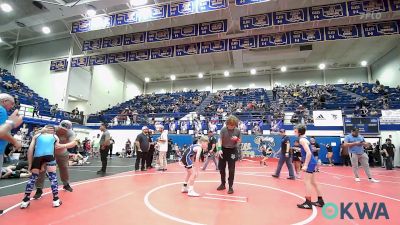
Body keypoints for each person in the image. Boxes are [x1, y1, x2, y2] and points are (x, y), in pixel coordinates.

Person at [20, 125, 77, 209]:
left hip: (37, 157)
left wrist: (30, 164)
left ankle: (25, 201)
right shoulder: (55, 136)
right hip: (50, 157)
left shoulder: (36, 136)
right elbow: (55, 148)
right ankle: (56, 200)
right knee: (53, 178)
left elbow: (30, 150)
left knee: (32, 178)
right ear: (54, 131)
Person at [33, 120, 76, 199]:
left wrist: (62, 146)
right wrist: (41, 131)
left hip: (62, 153)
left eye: (65, 130)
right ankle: (39, 189)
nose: (63, 131)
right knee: (42, 169)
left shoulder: (70, 133)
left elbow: (74, 143)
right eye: (62, 129)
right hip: (48, 152)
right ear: (59, 126)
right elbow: (35, 135)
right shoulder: (51, 129)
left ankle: (66, 184)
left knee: (64, 168)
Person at [294, 124, 325, 209]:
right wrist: (299, 150)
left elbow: (309, 153)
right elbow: (307, 151)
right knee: (314, 182)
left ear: (299, 132)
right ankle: (320, 201)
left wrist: (305, 165)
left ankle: (308, 203)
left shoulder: (302, 140)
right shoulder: (305, 139)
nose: (294, 132)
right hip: (312, 162)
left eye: (295, 131)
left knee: (307, 182)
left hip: (310, 162)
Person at [0, 108, 24, 215]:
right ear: (5, 101)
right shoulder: (1, 109)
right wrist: (11, 123)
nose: (13, 105)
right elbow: (1, 131)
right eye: (12, 103)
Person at [216, 115, 241, 194]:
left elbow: (239, 141)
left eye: (232, 125)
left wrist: (236, 139)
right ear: (227, 124)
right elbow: (219, 140)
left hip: (232, 151)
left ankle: (230, 186)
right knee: (221, 168)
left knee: (231, 169)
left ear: (235, 125)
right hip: (223, 150)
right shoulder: (223, 130)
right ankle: (223, 184)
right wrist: (219, 149)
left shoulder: (237, 131)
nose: (230, 127)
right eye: (229, 125)